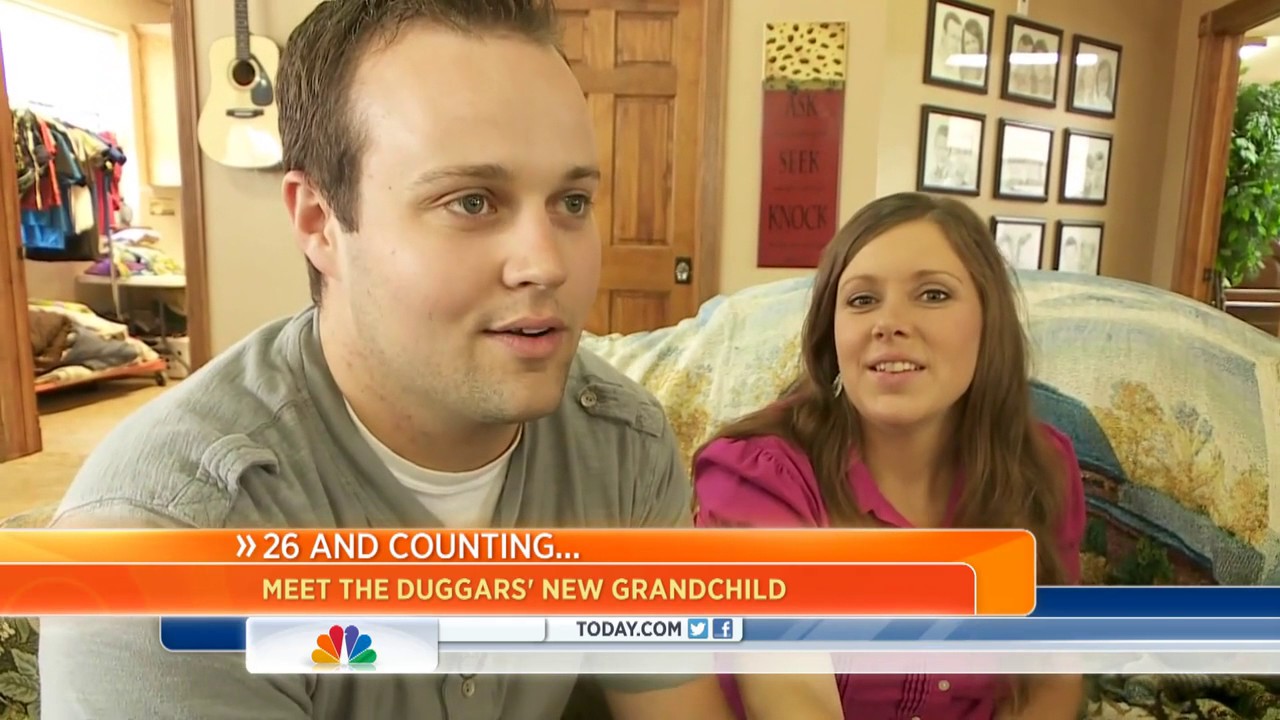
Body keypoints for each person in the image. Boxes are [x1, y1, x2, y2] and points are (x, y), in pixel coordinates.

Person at [36, 2, 749, 719]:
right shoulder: (162, 552)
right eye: (472, 202)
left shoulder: (620, 447)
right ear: (319, 221)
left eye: (571, 201)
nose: (547, 264)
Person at [692, 193, 1087, 719]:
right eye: (861, 300)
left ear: (989, 321)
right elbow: (794, 697)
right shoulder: (756, 478)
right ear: (833, 337)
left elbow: (1049, 678)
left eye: (932, 294)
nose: (889, 323)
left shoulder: (1041, 466)